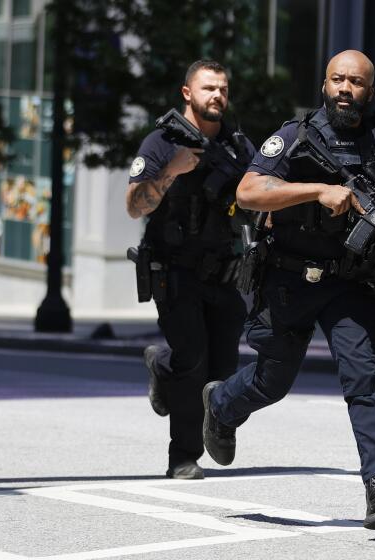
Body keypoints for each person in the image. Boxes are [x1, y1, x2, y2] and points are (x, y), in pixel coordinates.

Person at [201, 50, 375, 530]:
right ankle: (221, 405)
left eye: (355, 82)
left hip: (350, 281)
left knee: (363, 375)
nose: (345, 89)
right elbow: (247, 192)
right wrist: (315, 191)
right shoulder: (296, 137)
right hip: (289, 278)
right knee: (273, 380)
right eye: (337, 80)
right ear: (324, 86)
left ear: (370, 91)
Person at [125, 60, 255, 480]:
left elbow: (261, 191)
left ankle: (162, 366)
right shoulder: (163, 141)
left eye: (222, 88)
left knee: (222, 367)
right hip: (175, 269)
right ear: (187, 93)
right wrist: (171, 171)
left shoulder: (236, 145)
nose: (216, 95)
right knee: (193, 357)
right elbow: (133, 205)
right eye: (207, 88)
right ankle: (182, 455)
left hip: (223, 270)